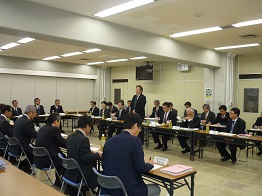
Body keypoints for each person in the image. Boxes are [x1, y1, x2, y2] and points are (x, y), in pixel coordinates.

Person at [102, 113, 161, 196]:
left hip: (107, 188)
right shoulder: (135, 141)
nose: (139, 132)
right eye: (140, 129)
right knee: (156, 188)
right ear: (135, 126)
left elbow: (104, 164)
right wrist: (150, 164)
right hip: (126, 189)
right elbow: (141, 168)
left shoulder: (110, 140)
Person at [65, 115, 102, 196]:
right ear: (88, 126)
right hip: (80, 173)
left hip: (70, 171)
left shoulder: (70, 136)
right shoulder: (84, 139)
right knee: (101, 173)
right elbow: (86, 158)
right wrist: (98, 154)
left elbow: (77, 151)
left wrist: (88, 151)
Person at [34, 113, 66, 187]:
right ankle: (62, 181)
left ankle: (59, 180)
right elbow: (62, 143)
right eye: (59, 121)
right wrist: (71, 143)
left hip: (38, 158)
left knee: (60, 155)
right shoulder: (54, 129)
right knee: (65, 159)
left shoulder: (43, 128)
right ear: (55, 122)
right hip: (47, 159)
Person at [11, 105, 37, 172]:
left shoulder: (18, 119)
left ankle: (23, 165)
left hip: (16, 145)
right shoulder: (28, 122)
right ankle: (25, 165)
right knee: (37, 151)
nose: (35, 115)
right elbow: (34, 135)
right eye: (35, 113)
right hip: (23, 146)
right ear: (30, 112)